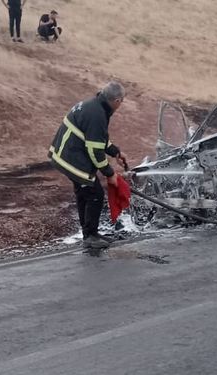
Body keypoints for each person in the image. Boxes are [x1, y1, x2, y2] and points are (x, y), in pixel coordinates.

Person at [48, 82, 128, 255]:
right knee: (94, 193)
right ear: (116, 100)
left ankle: (89, 233)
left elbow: (97, 139)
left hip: (66, 153)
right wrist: (110, 173)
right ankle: (90, 236)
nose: (121, 105)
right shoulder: (98, 114)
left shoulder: (97, 106)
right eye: (121, 101)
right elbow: (95, 149)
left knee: (84, 191)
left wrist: (115, 152)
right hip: (71, 157)